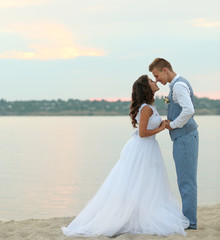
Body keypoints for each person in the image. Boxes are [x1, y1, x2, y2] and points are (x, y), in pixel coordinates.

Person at [61, 75, 189, 237]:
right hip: (142, 148)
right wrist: (162, 128)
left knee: (147, 182)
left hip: (148, 148)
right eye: (151, 81)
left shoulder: (149, 107)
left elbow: (146, 128)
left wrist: (161, 124)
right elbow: (143, 133)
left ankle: (141, 211)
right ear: (146, 88)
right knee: (137, 181)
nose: (155, 82)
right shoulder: (146, 108)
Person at [149, 58, 199, 230]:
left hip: (185, 137)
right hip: (183, 138)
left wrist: (174, 124)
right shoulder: (175, 85)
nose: (156, 80)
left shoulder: (178, 86)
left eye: (156, 75)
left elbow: (189, 110)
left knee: (186, 181)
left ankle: (190, 222)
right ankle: (188, 219)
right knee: (184, 180)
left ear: (165, 69)